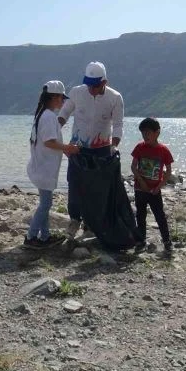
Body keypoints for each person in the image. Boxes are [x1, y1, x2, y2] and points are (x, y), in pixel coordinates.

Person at [58, 61, 124, 239]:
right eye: (88, 84)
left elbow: (118, 125)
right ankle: (74, 219)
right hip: (77, 147)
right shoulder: (77, 92)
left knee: (96, 187)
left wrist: (114, 147)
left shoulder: (115, 98)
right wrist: (56, 137)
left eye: (95, 86)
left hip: (102, 149)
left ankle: (91, 224)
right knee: (74, 183)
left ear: (104, 82)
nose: (91, 89)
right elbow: (63, 115)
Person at [24, 81, 80, 249]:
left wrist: (64, 150)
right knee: (46, 204)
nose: (63, 101)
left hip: (41, 165)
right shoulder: (48, 117)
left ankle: (45, 236)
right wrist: (68, 148)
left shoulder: (43, 114)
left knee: (45, 203)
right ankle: (31, 236)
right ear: (54, 97)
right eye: (61, 98)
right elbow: (49, 142)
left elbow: (47, 141)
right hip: (44, 167)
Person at [130, 117, 174, 254]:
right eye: (143, 133)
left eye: (148, 133)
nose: (145, 136)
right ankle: (141, 240)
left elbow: (168, 171)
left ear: (157, 133)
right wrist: (141, 182)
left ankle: (167, 241)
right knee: (140, 216)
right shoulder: (139, 147)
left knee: (159, 215)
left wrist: (159, 186)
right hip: (140, 189)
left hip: (155, 191)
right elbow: (133, 166)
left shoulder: (163, 150)